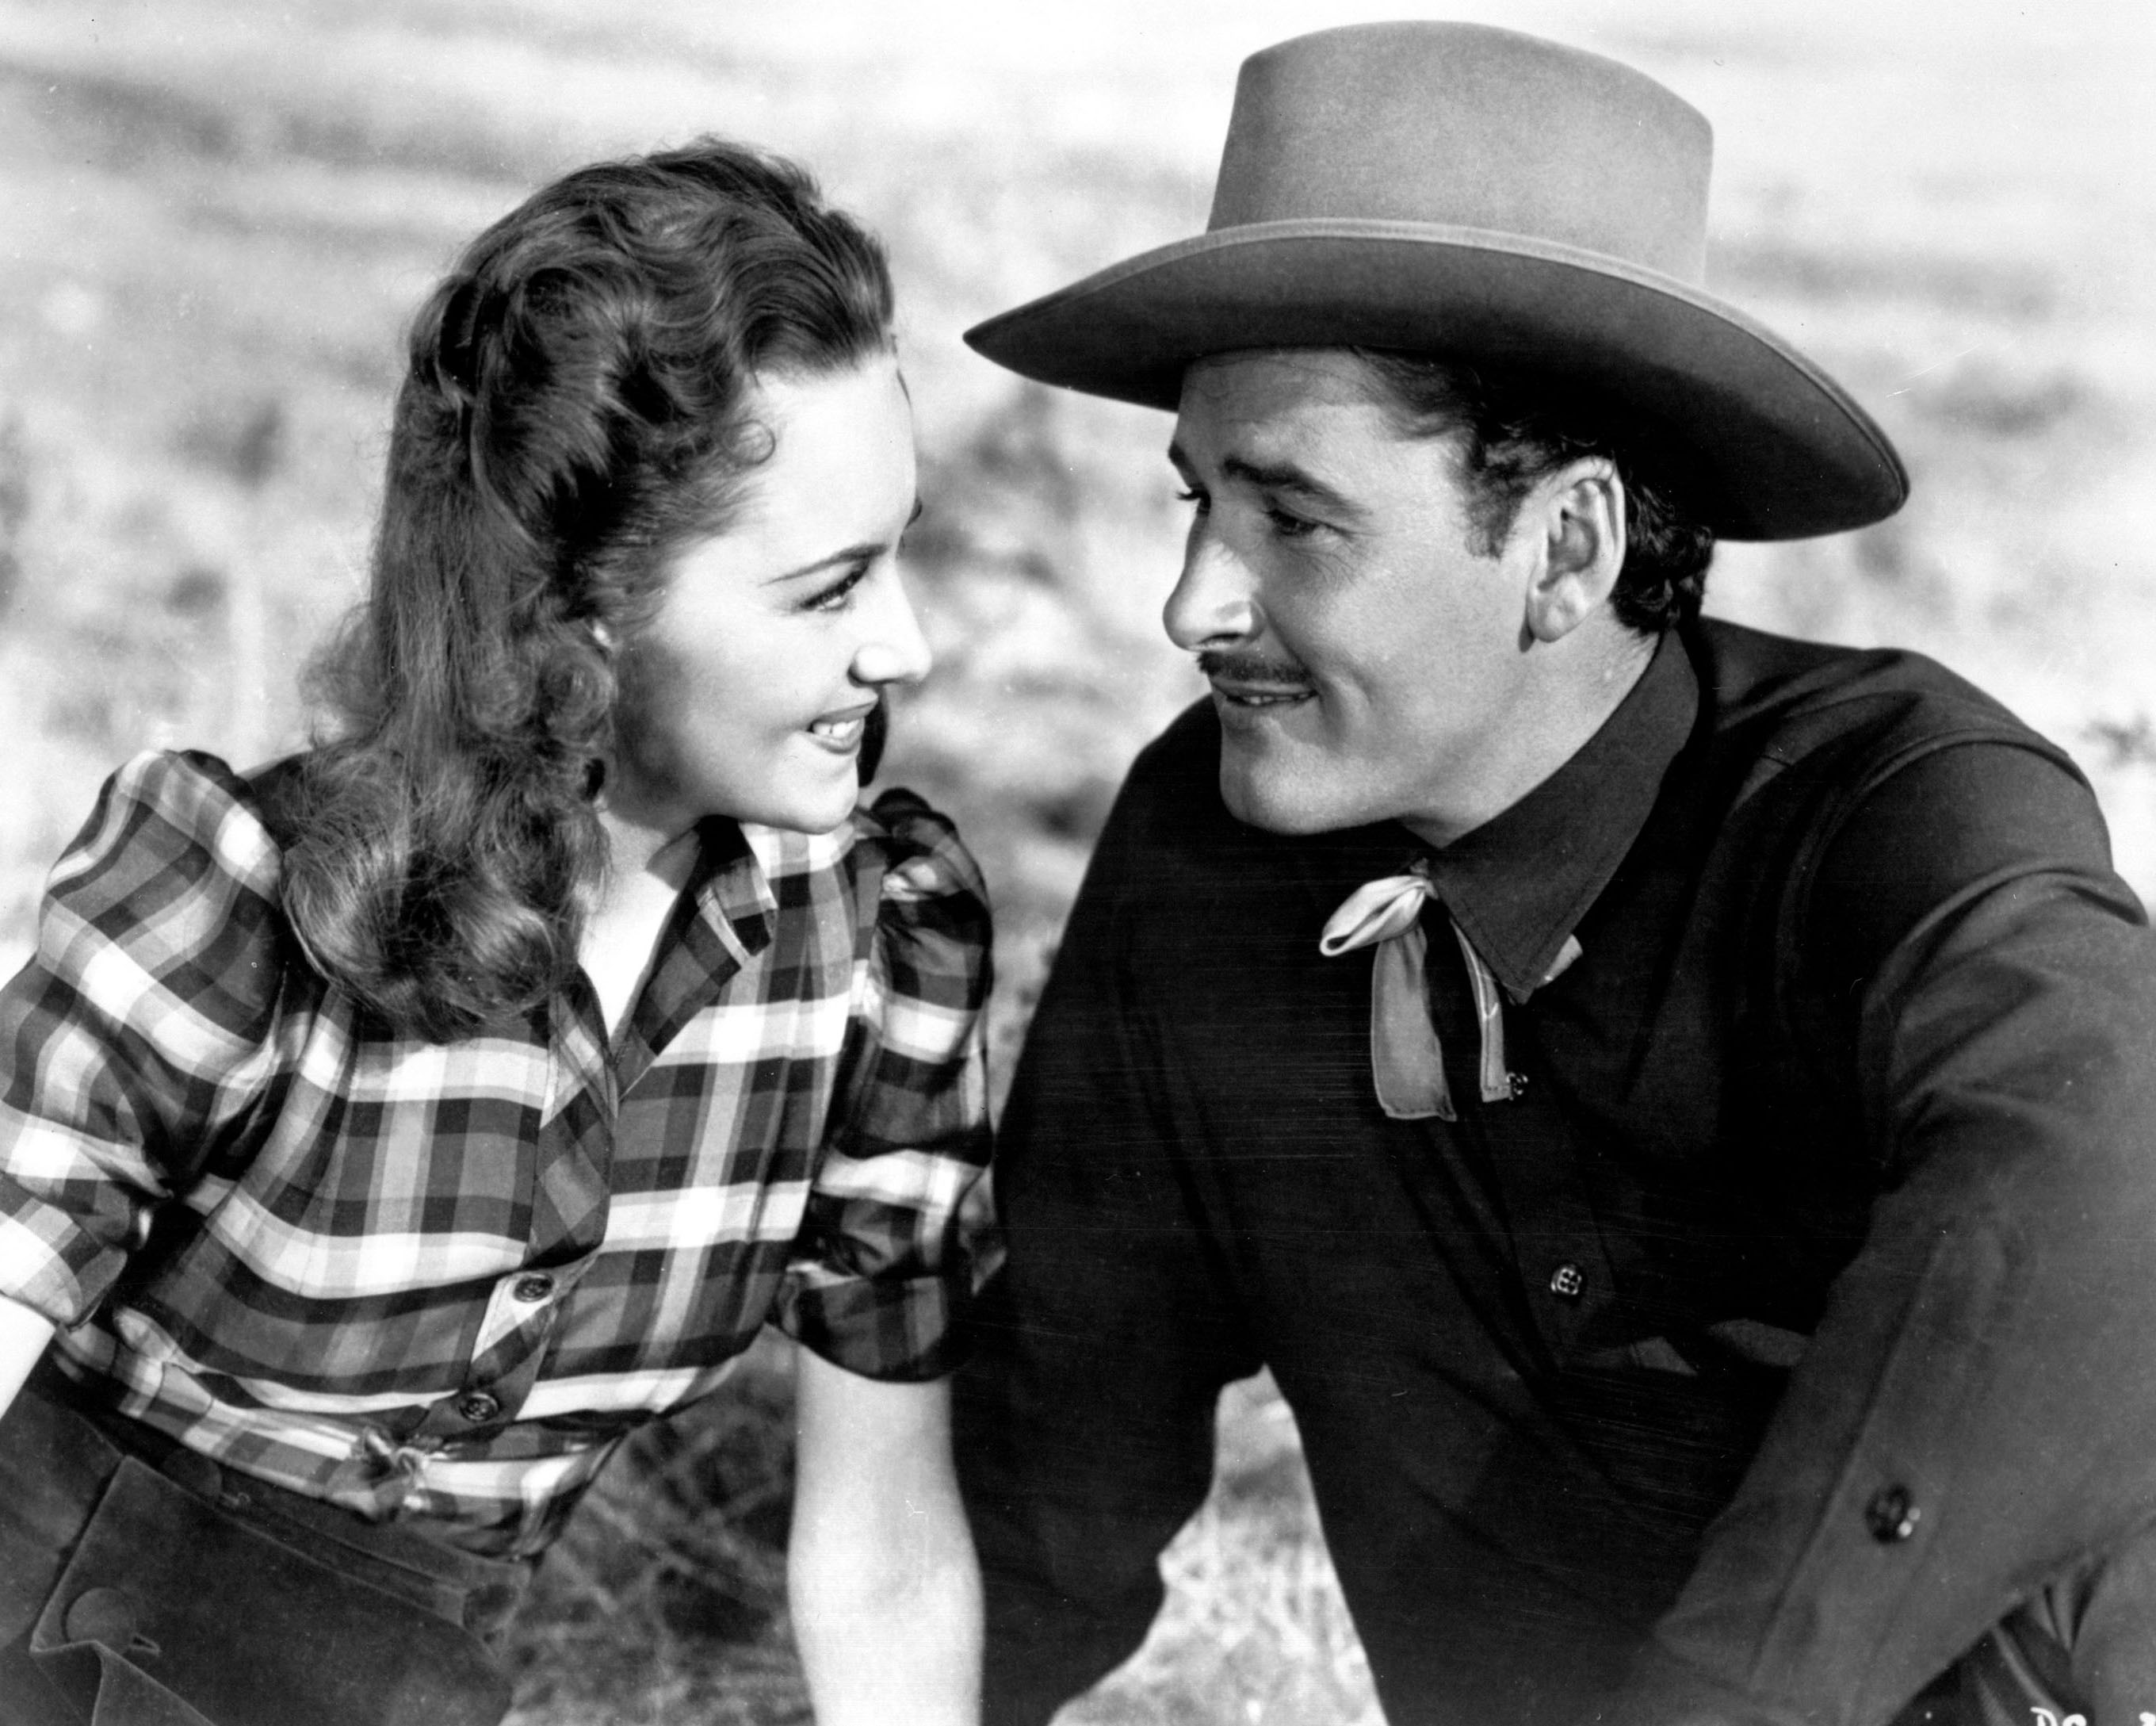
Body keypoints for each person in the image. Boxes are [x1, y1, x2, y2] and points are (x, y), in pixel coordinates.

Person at [952, 22, 2156, 1726]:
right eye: (1190, 505)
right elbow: (1049, 1479)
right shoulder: (1199, 866)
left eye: (1292, 521)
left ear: (1567, 546)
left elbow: (2104, 1182)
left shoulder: (1888, 810)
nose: (1190, 609)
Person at [0, 140, 992, 1726]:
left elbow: (879, 1552)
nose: (909, 646)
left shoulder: (883, 952)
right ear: (588, 605)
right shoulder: (236, 896)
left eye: (906, 553)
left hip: (409, 1682)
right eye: (828, 591)